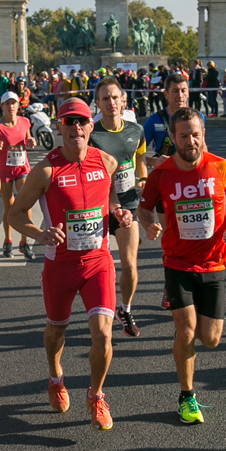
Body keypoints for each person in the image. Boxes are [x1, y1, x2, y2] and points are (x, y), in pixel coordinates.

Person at [7, 98, 129, 431]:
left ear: (91, 126)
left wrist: (119, 211)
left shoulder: (106, 162)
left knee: (104, 334)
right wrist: (39, 233)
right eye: (69, 122)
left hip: (97, 262)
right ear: (59, 126)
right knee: (55, 331)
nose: (76, 128)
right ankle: (55, 376)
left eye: (81, 122)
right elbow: (14, 214)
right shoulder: (46, 169)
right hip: (60, 265)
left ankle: (96, 395)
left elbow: (111, 196)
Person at [137, 108, 226, 424]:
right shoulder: (161, 174)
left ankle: (188, 349)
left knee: (210, 338)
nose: (190, 140)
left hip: (214, 263)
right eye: (183, 135)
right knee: (185, 330)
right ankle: (187, 395)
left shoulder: (220, 166)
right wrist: (149, 225)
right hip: (177, 263)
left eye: (195, 134)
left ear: (203, 134)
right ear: (172, 138)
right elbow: (144, 208)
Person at [88, 78, 148, 337]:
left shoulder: (136, 131)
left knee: (130, 264)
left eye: (115, 97)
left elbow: (141, 160)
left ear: (123, 100)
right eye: (105, 99)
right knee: (98, 267)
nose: (111, 103)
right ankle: (100, 310)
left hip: (129, 203)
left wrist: (143, 179)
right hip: (99, 206)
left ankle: (125, 308)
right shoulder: (92, 134)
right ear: (98, 104)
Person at [0, 91, 36, 259]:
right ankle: (7, 241)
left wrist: (31, 141)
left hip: (22, 168)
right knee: (9, 207)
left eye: (13, 103)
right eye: (7, 104)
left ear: (17, 105)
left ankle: (24, 242)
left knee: (25, 205)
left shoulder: (24, 122)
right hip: (4, 171)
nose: (11, 106)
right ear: (2, 107)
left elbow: (28, 139)